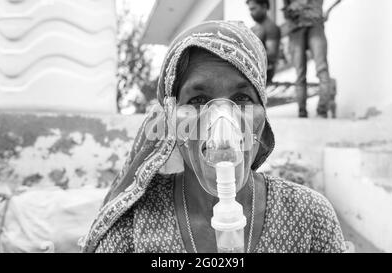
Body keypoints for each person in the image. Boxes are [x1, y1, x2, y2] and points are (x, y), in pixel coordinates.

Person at [80, 21, 347, 253]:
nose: (222, 121)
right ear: (171, 117)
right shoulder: (134, 224)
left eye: (242, 98)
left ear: (263, 116)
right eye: (197, 100)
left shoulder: (310, 219)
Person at [282, 0, 342, 118]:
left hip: (315, 25)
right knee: (301, 73)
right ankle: (302, 112)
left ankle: (322, 111)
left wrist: (328, 11)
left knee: (321, 69)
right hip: (296, 27)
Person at [246, 0, 281, 85]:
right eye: (250, 10)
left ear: (264, 6)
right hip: (251, 71)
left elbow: (272, 54)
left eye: (253, 9)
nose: (251, 12)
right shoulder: (252, 29)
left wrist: (248, 54)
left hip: (263, 75)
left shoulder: (271, 27)